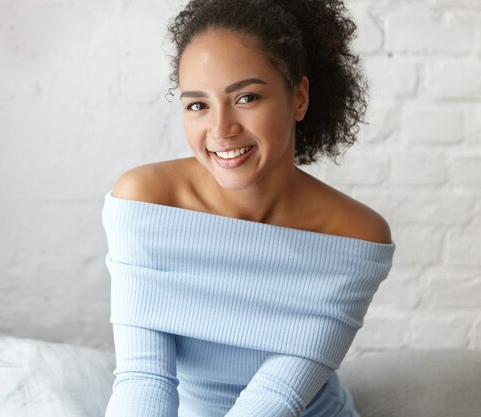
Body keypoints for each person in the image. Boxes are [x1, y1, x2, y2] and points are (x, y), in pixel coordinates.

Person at [101, 0, 396, 416]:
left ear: (299, 98)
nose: (221, 130)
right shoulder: (146, 201)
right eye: (198, 105)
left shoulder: (355, 235)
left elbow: (277, 399)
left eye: (246, 97)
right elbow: (144, 380)